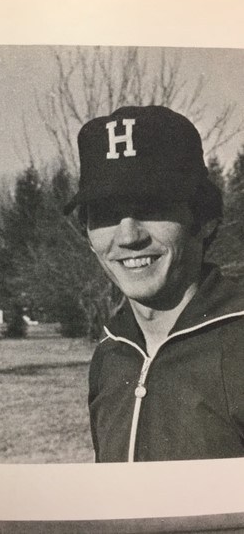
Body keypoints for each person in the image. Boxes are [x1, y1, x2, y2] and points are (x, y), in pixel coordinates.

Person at [64, 105, 244, 462]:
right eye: (105, 214)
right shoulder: (111, 351)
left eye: (151, 206)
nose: (128, 235)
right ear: (87, 234)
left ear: (205, 219)